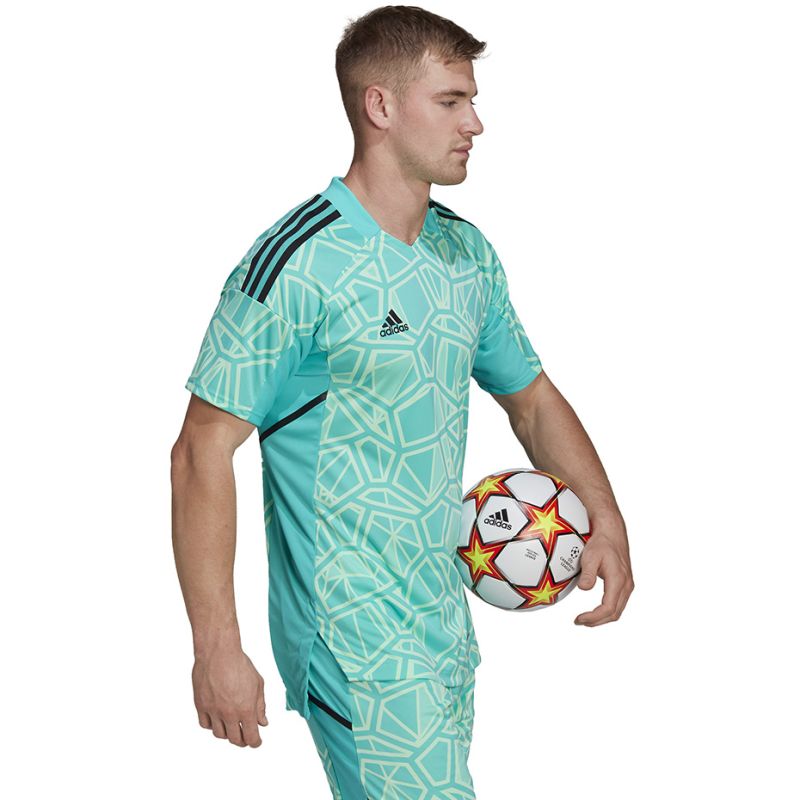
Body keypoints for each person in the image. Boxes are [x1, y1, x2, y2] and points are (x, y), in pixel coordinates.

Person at [170, 5, 633, 798]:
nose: (475, 123)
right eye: (451, 101)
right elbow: (200, 450)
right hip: (347, 630)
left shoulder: (465, 254)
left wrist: (607, 517)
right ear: (379, 106)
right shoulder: (299, 260)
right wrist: (216, 646)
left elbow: (531, 399)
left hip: (442, 624)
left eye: (472, 100)